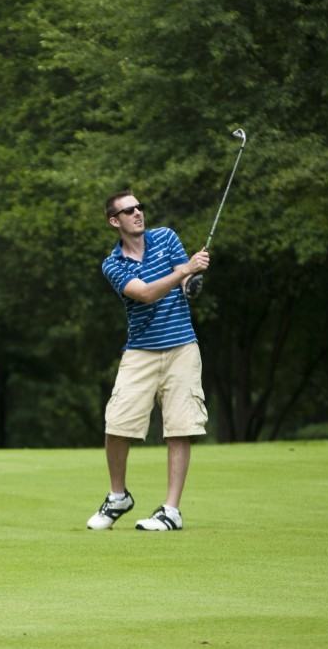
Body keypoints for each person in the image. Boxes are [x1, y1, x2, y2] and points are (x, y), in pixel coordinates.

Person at [86, 191, 210, 531]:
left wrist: (190, 281)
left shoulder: (166, 237)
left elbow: (182, 280)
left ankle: (171, 510)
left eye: (140, 207)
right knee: (117, 423)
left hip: (182, 346)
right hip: (140, 351)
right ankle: (118, 497)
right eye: (129, 210)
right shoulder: (113, 264)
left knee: (179, 427)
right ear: (115, 221)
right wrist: (185, 270)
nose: (138, 213)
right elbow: (145, 293)